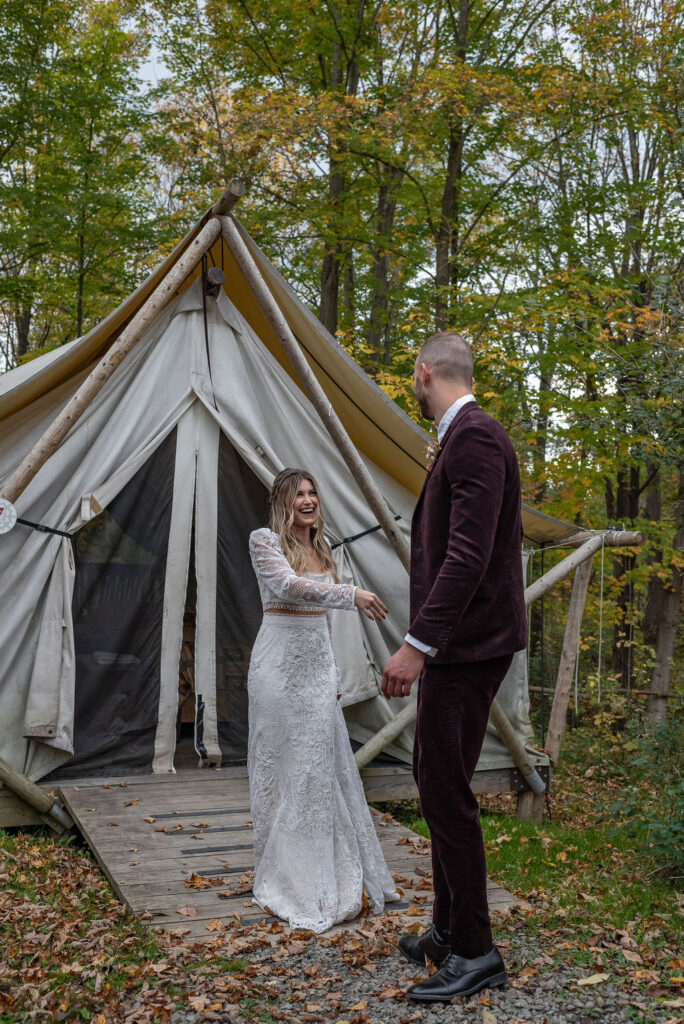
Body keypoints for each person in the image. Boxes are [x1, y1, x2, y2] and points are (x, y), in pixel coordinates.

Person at [381, 331, 527, 1002]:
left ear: (423, 373)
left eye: (413, 376)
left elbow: (467, 555)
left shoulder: (473, 438)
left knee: (444, 792)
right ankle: (446, 931)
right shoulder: (467, 437)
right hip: (466, 643)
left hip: (466, 645)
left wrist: (417, 645)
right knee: (435, 778)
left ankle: (475, 951)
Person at [247, 467, 400, 933]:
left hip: (316, 669)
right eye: (298, 495)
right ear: (283, 502)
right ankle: (281, 871)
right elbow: (288, 588)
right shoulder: (265, 542)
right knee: (279, 768)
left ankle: (321, 871)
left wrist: (333, 671)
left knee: (317, 771)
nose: (308, 501)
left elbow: (325, 620)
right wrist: (349, 593)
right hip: (276, 665)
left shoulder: (325, 547)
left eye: (313, 492)